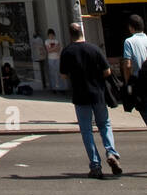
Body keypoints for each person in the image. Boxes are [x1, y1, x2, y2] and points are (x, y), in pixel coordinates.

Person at [59, 21, 122, 178]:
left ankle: (95, 165)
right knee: (104, 124)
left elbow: (63, 75)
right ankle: (111, 152)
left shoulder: (67, 51)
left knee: (86, 131)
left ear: (70, 34)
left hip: (80, 95)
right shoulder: (94, 49)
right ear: (82, 32)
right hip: (98, 93)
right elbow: (107, 71)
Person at [122, 13, 147, 127]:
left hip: (139, 82)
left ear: (131, 27)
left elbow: (127, 65)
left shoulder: (129, 42)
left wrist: (128, 83)